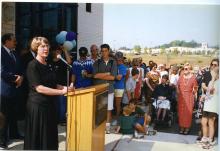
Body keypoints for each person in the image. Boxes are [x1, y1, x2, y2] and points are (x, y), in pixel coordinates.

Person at [24, 37, 70, 150]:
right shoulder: (32, 65)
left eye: (47, 46)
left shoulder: (48, 64)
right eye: (42, 46)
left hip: (50, 106)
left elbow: (53, 84)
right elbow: (39, 88)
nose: (46, 48)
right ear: (36, 48)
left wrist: (67, 88)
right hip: (38, 108)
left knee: (49, 138)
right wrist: (61, 92)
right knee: (39, 140)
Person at [0, 33, 24, 149]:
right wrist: (16, 78)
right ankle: (2, 140)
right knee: (3, 116)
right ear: (6, 41)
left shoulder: (14, 53)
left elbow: (20, 68)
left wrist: (21, 77)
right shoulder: (1, 53)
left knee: (14, 114)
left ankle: (14, 134)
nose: (16, 42)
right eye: (14, 40)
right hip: (4, 90)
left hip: (15, 89)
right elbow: (2, 72)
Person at [93, 44, 117, 134]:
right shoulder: (97, 62)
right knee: (99, 109)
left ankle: (107, 127)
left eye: (105, 51)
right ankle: (99, 126)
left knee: (108, 109)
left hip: (110, 89)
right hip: (99, 90)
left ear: (108, 51)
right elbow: (95, 75)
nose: (104, 53)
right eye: (102, 51)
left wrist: (101, 75)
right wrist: (107, 74)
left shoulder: (113, 62)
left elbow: (113, 77)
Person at [48, 44, 72, 123]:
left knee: (62, 104)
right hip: (51, 87)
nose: (58, 52)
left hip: (62, 87)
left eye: (59, 51)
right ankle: (55, 119)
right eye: (56, 51)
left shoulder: (62, 61)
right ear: (53, 52)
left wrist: (65, 50)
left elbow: (69, 62)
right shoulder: (49, 61)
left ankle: (61, 120)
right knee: (53, 104)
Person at [199, 67, 219, 149]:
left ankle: (210, 140)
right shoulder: (211, 81)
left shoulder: (217, 82)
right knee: (204, 122)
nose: (211, 74)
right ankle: (205, 138)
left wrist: (214, 78)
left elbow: (212, 90)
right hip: (207, 105)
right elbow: (208, 92)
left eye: (213, 72)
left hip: (213, 106)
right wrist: (204, 96)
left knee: (211, 123)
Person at [177, 63, 198, 135]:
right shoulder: (181, 76)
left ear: (190, 70)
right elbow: (177, 84)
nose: (184, 70)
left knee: (188, 113)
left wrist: (193, 92)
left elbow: (195, 87)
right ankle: (182, 127)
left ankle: (187, 127)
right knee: (181, 112)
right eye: (184, 68)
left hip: (189, 96)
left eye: (186, 69)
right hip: (181, 96)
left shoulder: (193, 77)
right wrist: (178, 91)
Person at [114, 52, 127, 119]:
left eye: (118, 59)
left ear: (121, 59)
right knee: (114, 104)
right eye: (116, 59)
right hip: (114, 87)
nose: (117, 60)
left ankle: (117, 118)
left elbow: (119, 78)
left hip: (119, 88)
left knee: (117, 105)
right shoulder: (116, 66)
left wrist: (110, 76)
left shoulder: (123, 67)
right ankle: (115, 117)